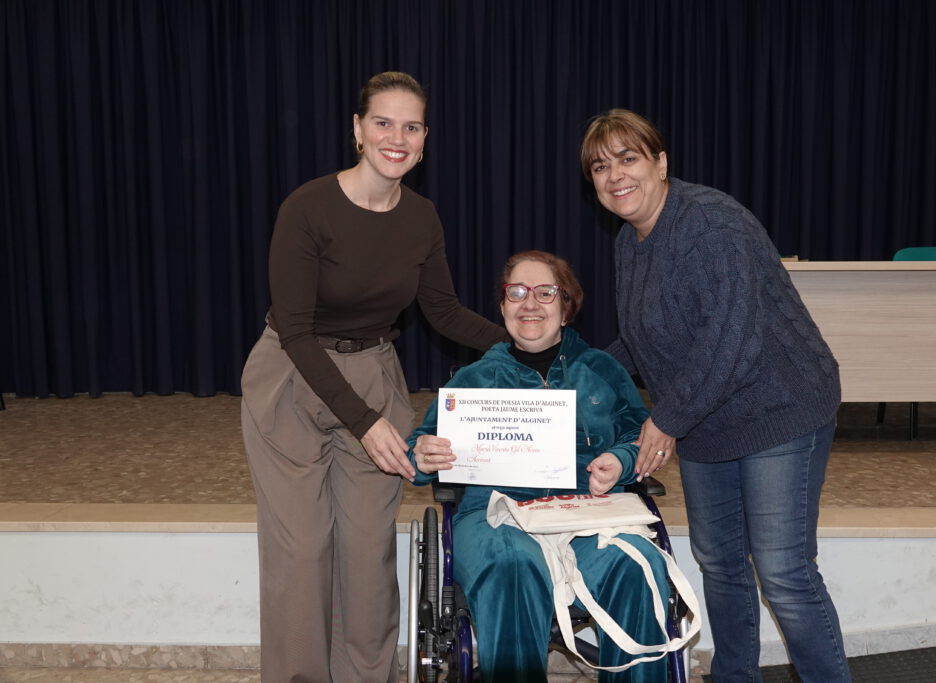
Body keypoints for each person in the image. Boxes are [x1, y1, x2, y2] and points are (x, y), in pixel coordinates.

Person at [240, 71, 506, 682]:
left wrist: (529, 345)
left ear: (425, 138)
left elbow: (443, 313)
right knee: (302, 551)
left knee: (367, 553)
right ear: (358, 129)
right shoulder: (307, 208)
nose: (397, 138)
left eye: (411, 127)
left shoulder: (421, 217)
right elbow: (297, 331)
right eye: (383, 123)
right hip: (292, 376)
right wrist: (365, 423)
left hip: (372, 373)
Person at [579, 109, 851, 683]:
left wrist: (666, 421)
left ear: (660, 163)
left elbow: (733, 341)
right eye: (600, 167)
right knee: (720, 564)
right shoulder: (629, 241)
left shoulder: (711, 225)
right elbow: (642, 338)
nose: (615, 175)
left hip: (779, 410)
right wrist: (579, 379)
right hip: (706, 419)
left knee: (783, 572)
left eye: (628, 158)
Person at [409, 250, 672, 683]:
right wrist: (422, 455)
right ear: (503, 307)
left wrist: (622, 461)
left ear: (566, 308)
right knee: (512, 564)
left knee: (638, 564)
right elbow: (418, 450)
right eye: (516, 292)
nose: (529, 303)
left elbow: (643, 439)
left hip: (586, 512)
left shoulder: (602, 370)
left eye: (545, 293)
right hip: (496, 516)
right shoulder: (474, 380)